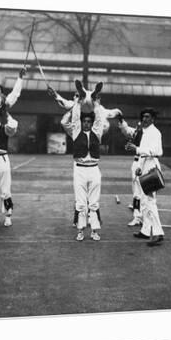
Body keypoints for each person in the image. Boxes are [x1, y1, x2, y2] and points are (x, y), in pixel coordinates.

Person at [0, 68, 26, 227]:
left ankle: (8, 214)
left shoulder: (6, 118)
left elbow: (15, 94)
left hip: (1, 157)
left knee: (5, 188)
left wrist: (20, 78)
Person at [61, 95, 106, 241]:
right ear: (81, 122)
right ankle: (80, 230)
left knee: (93, 202)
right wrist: (77, 102)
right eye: (84, 121)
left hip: (94, 169)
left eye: (89, 122)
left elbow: (99, 118)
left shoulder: (97, 133)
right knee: (80, 202)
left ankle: (94, 230)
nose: (86, 123)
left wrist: (96, 103)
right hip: (80, 169)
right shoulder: (75, 132)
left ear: (92, 123)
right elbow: (74, 118)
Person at [120, 108, 165, 246]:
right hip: (144, 167)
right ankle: (146, 231)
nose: (145, 119)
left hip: (151, 167)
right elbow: (143, 154)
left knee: (150, 201)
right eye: (143, 117)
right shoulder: (145, 132)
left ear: (153, 119)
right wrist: (139, 166)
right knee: (144, 202)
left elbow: (158, 151)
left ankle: (158, 233)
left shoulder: (155, 132)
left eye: (148, 117)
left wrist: (137, 149)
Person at [118, 115, 144, 226]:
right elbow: (127, 130)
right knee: (136, 190)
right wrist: (121, 120)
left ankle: (138, 217)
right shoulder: (138, 132)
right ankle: (138, 212)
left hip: (143, 163)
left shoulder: (148, 135)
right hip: (137, 162)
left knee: (140, 191)